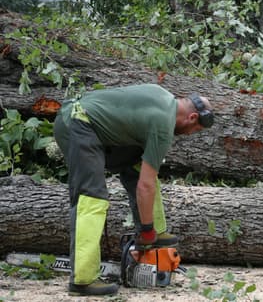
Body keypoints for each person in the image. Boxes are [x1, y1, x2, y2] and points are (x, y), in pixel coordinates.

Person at [53, 84, 214, 296]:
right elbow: (145, 186)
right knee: (92, 196)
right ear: (192, 117)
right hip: (78, 124)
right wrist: (146, 233)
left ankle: (156, 228)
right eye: (195, 131)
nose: (190, 134)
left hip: (96, 128)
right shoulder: (163, 125)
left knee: (139, 165)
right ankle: (82, 280)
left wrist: (150, 231)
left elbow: (145, 175)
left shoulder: (162, 96)